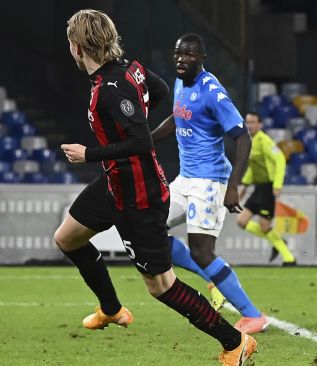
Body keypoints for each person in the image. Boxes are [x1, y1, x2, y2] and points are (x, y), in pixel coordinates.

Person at [58, 10, 255, 365]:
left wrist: (90, 153)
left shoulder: (110, 89)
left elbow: (138, 142)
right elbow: (161, 90)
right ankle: (112, 309)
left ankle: (235, 341)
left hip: (139, 195)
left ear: (76, 47)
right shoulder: (128, 69)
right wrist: (133, 116)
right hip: (115, 182)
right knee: (67, 237)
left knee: (161, 286)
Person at [151, 33, 268, 334]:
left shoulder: (212, 91)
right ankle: (210, 273)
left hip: (210, 182)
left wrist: (233, 185)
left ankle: (253, 315)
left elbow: (243, 136)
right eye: (178, 53)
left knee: (202, 250)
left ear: (201, 58)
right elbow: (177, 118)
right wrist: (146, 140)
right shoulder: (179, 82)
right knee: (148, 229)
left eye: (189, 54)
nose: (181, 59)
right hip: (185, 179)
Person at [237, 112, 296, 266]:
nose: (249, 125)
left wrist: (277, 185)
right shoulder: (250, 141)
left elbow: (280, 159)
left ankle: (289, 257)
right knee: (242, 221)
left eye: (253, 122)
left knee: (264, 225)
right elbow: (253, 168)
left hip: (268, 187)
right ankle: (277, 239)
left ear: (260, 124)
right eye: (247, 122)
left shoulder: (264, 141)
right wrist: (244, 184)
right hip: (258, 188)